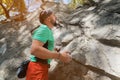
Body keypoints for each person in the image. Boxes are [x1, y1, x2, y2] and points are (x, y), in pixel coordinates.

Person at [26, 9, 72, 80]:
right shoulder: (44, 29)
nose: (55, 17)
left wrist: (55, 51)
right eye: (53, 15)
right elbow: (35, 50)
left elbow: (43, 47)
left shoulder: (46, 30)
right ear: (48, 19)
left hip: (39, 67)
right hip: (37, 68)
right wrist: (60, 56)